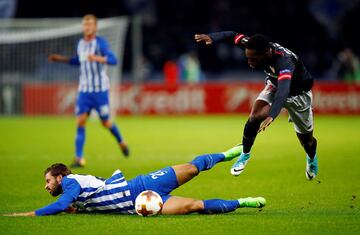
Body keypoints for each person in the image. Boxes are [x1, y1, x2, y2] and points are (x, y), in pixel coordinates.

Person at [194, 32, 319, 180]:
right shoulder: (254, 46)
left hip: (298, 95)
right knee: (255, 115)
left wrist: (272, 115)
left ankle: (311, 158)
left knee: (307, 141)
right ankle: (245, 154)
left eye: (254, 59)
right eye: (248, 58)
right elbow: (232, 35)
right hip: (274, 84)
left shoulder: (285, 62)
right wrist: (213, 37)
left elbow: (284, 91)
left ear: (267, 53)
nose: (250, 62)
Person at [6, 145, 265, 216]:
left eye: (48, 181)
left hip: (139, 186)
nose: (46, 186)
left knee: (191, 168)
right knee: (196, 205)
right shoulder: (76, 195)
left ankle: (227, 154)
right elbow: (74, 204)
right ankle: (243, 202)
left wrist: (33, 213)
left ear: (61, 177)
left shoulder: (71, 184)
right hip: (138, 204)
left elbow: (63, 203)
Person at [48, 14, 129, 167]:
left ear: (95, 27)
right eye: (85, 25)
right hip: (84, 91)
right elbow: (78, 61)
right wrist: (60, 59)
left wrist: (97, 58)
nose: (87, 27)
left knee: (105, 122)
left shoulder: (100, 43)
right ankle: (79, 158)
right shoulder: (80, 43)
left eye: (90, 25)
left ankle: (121, 141)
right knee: (80, 121)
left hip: (100, 91)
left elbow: (114, 60)